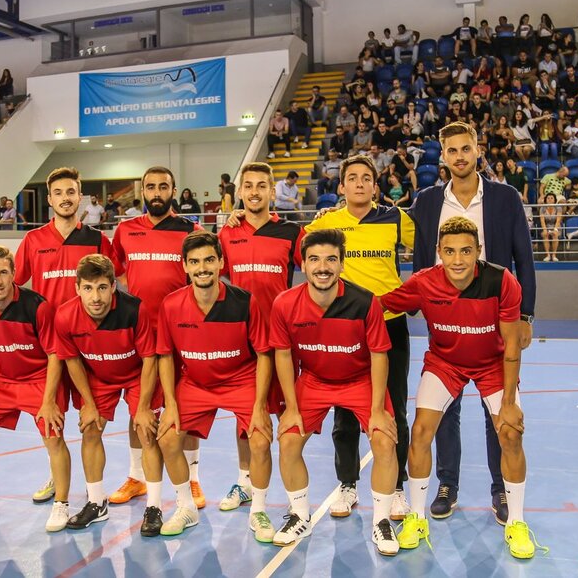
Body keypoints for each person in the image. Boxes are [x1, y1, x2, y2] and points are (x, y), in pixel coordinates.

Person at [382, 217, 548, 560]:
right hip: (445, 364)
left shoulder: (502, 281)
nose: (458, 260)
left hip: (493, 364)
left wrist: (510, 402)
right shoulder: (423, 282)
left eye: (466, 251)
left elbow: (512, 345)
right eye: (450, 251)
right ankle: (416, 516)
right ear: (439, 252)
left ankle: (516, 522)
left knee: (511, 433)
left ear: (478, 252)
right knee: (421, 432)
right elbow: (380, 304)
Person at [408, 121, 536, 526]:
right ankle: (447, 485)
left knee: (496, 410)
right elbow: (402, 240)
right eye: (452, 150)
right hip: (444, 318)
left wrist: (526, 314)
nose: (460, 156)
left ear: (478, 150)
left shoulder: (504, 197)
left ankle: (500, 489)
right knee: (443, 408)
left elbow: (523, 256)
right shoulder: (427, 201)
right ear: (442, 155)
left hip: (494, 319)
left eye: (467, 148)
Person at [269, 229, 399, 554]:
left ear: (341, 264)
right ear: (303, 264)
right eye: (314, 259)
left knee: (384, 440)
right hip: (313, 381)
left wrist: (380, 408)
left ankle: (381, 521)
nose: (322, 267)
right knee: (288, 440)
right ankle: (299, 514)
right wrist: (290, 407)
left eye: (330, 259)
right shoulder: (285, 304)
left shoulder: (364, 302)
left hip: (360, 381)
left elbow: (379, 354)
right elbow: (283, 354)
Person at [154, 231, 275, 541]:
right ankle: (186, 507)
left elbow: (264, 354)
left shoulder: (245, 302)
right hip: (196, 382)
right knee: (167, 437)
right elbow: (165, 358)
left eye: (209, 259)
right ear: (184, 266)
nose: (202, 267)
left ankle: (258, 510)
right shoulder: (170, 305)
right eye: (194, 262)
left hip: (240, 378)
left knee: (260, 440)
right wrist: (170, 404)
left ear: (221, 261)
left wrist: (261, 407)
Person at [13, 167, 120, 503]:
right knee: (53, 419)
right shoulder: (33, 240)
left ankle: (96, 492)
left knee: (93, 422)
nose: (65, 198)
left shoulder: (97, 240)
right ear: (50, 199)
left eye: (71, 192)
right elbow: (13, 283)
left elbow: (113, 283)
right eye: (58, 193)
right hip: (51, 347)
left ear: (80, 197)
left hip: (91, 345)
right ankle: (55, 477)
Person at [0, 246, 72, 532]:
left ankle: (62, 505)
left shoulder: (37, 306)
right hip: (1, 380)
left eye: (3, 272)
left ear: (14, 274)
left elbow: (55, 354)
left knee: (53, 436)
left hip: (40, 378)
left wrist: (49, 401)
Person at [113, 166, 207, 508]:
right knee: (139, 409)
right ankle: (137, 477)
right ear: (142, 190)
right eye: (150, 186)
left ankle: (193, 480)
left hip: (182, 335)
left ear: (174, 190)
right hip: (139, 337)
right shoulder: (125, 230)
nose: (156, 192)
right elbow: (114, 272)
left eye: (163, 186)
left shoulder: (190, 230)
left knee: (187, 410)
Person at [53, 254, 166, 535]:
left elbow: (150, 359)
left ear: (114, 286)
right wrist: (89, 404)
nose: (96, 297)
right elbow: (72, 361)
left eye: (102, 287)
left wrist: (142, 407)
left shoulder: (134, 310)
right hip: (97, 375)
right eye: (88, 288)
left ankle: (153, 507)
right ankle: (95, 502)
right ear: (77, 287)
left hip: (138, 372)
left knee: (146, 429)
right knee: (90, 428)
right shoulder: (65, 316)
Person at [217, 162, 304, 511]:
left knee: (286, 417)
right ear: (240, 192)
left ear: (272, 192)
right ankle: (245, 482)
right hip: (242, 343)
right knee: (246, 418)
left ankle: (287, 487)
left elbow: (317, 263)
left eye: (261, 186)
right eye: (248, 186)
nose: (254, 191)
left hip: (282, 342)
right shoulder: (226, 234)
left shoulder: (291, 232)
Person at [540, 193, 562, 261]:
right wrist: (545, 229)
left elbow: (558, 220)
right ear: (545, 200)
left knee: (555, 235)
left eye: (551, 198)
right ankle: (548, 255)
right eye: (548, 198)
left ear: (554, 200)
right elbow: (542, 221)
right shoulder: (542, 208)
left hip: (556, 226)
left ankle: (554, 255)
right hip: (546, 226)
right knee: (545, 235)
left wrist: (555, 229)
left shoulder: (558, 207)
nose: (550, 199)